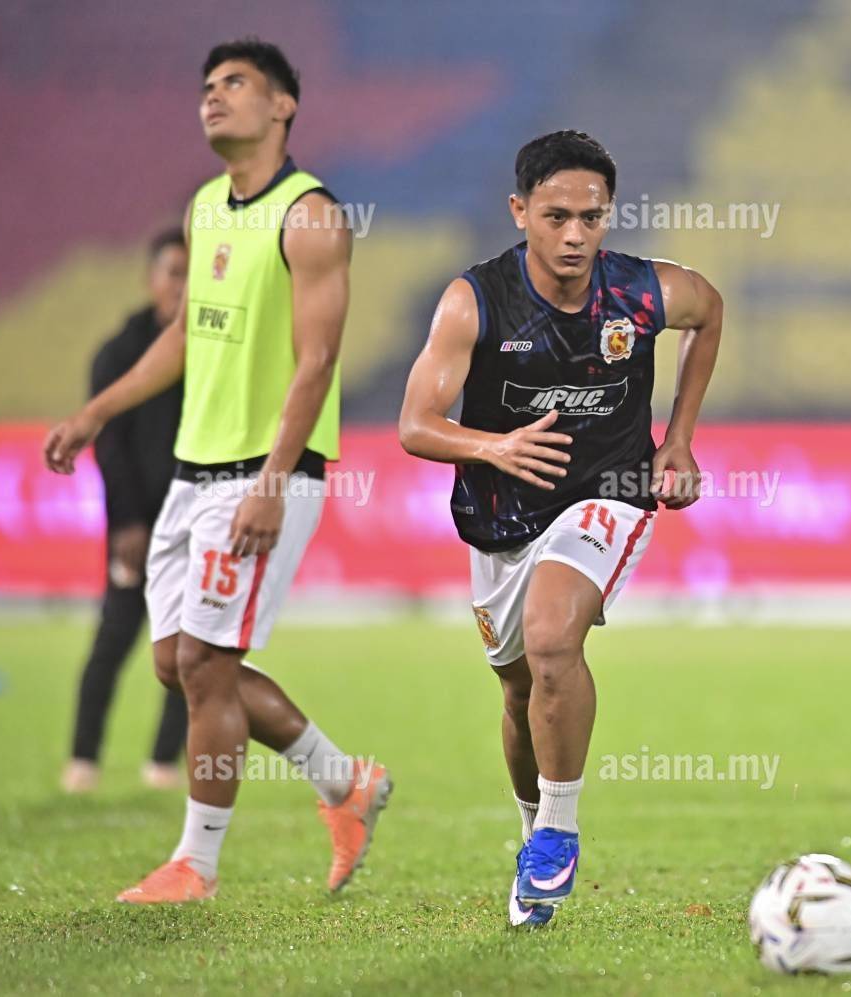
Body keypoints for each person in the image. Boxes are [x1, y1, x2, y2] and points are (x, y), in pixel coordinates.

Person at [43, 38, 391, 904]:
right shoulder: (205, 207)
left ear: (283, 106)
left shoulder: (310, 215)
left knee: (203, 662)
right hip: (192, 473)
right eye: (206, 85)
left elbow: (317, 361)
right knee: (179, 663)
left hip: (262, 474)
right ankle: (345, 782)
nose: (213, 95)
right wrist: (97, 411)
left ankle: (194, 864)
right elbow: (185, 334)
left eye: (235, 82)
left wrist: (273, 480)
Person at [398, 130, 723, 927]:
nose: (575, 234)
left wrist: (678, 438)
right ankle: (532, 837)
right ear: (519, 211)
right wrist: (494, 447)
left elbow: (708, 310)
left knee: (551, 640)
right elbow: (415, 424)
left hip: (609, 492)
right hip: (502, 515)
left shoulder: (642, 292)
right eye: (556, 217)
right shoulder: (475, 300)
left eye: (591, 216)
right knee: (519, 692)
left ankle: (559, 830)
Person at [62, 229, 191, 795]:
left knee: (190, 647)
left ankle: (163, 764)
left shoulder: (211, 350)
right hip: (137, 525)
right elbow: (109, 448)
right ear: (150, 279)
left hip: (193, 522)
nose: (183, 286)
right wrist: (127, 524)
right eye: (174, 273)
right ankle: (82, 760)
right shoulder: (119, 352)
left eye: (192, 274)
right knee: (114, 639)